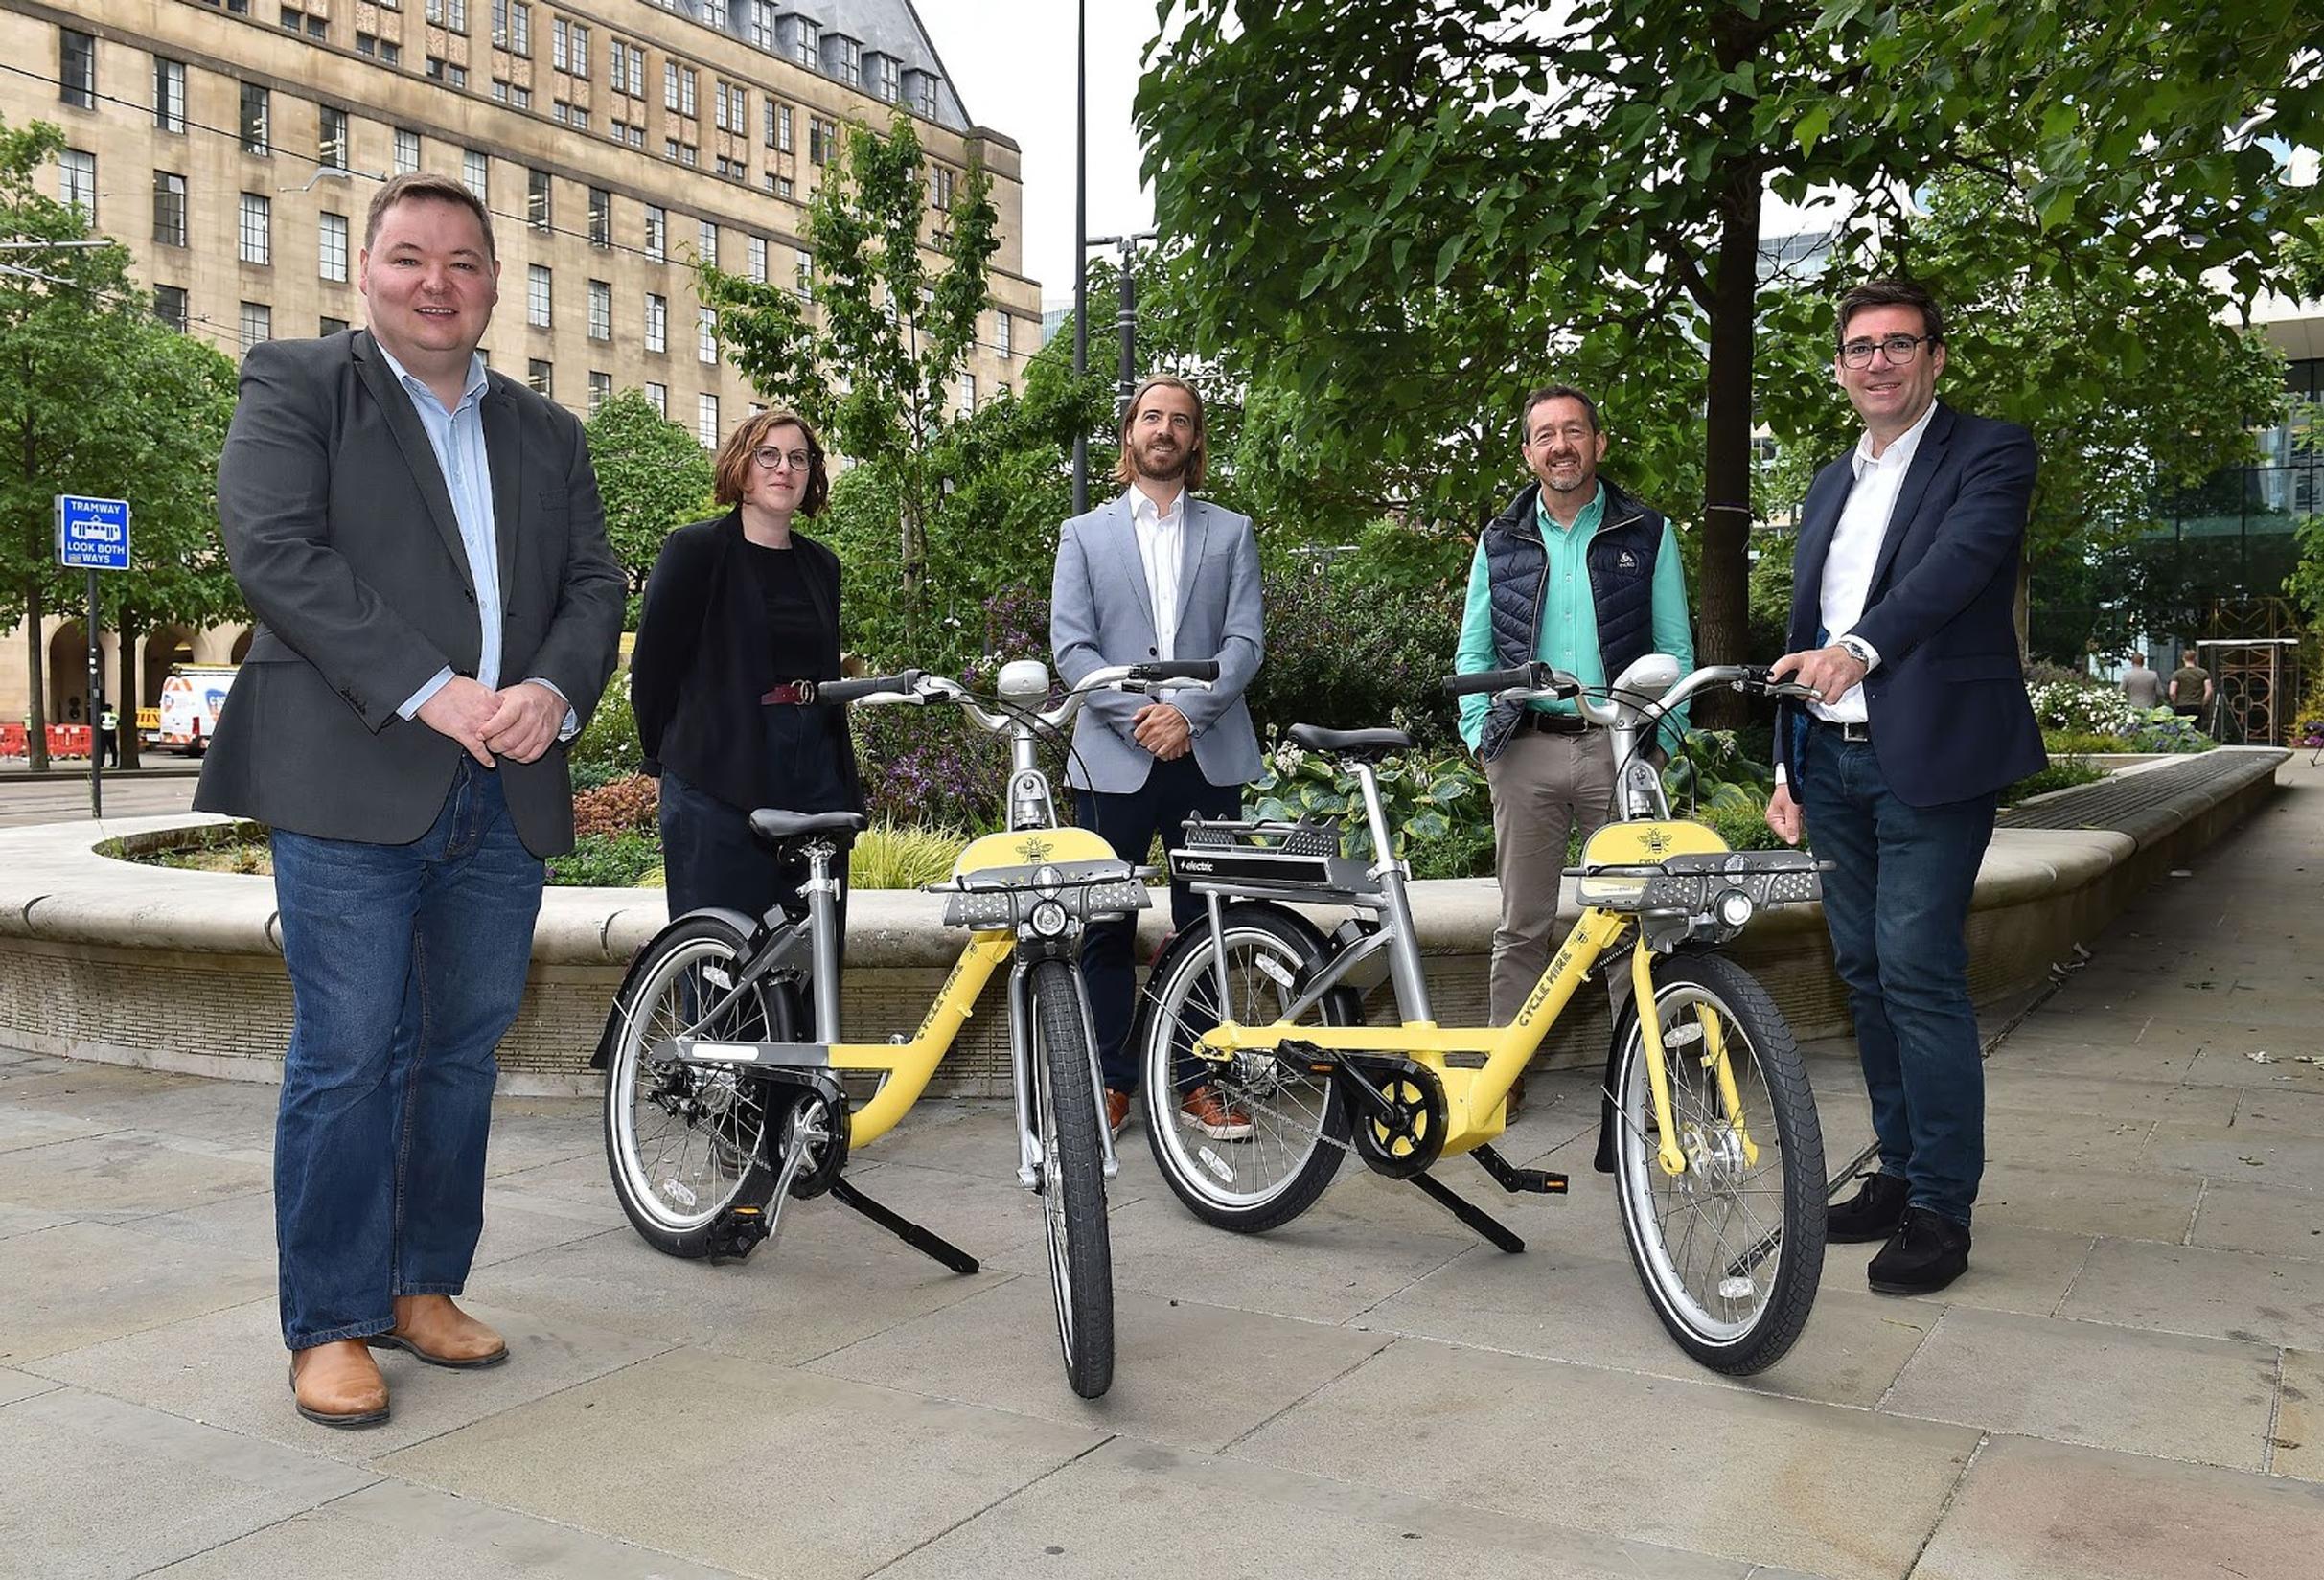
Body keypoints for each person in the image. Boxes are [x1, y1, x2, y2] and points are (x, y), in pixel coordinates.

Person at [196, 172, 624, 1428]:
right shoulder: (297, 382)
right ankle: (329, 1320)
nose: (436, 281)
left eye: (463, 261)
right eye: (407, 258)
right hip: (349, 778)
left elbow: (594, 585)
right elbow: (273, 550)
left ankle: (422, 1283)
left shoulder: (550, 433)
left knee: (458, 1052)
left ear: (498, 283)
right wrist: (433, 687)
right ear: (363, 270)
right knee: (348, 1051)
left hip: (510, 785)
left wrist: (552, 688)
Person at [1766, 279, 2043, 1297]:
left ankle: (1940, 1206)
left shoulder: (1990, 449)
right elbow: (1801, 624)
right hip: (1830, 760)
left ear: (1933, 357)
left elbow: (1959, 565)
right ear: (1839, 368)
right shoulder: (1829, 480)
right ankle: (1897, 1170)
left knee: (1917, 967)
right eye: (1858, 347)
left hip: (1930, 755)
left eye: (1897, 343)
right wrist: (1786, 762)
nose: (1877, 361)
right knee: (1863, 969)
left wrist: (1863, 646)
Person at [1452, 384, 1695, 1115]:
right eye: (1544, 435)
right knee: (1521, 922)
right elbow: (1472, 650)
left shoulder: (1647, 531)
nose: (1559, 445)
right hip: (1524, 749)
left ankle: (1649, 1080)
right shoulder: (1499, 539)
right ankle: (1503, 1072)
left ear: (1598, 442)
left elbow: (1674, 649)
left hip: (1619, 749)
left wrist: (1653, 745)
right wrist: (1479, 738)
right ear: (1528, 452)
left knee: (1636, 918)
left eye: (1573, 431)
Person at [1051, 374, 1264, 1142]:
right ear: (1129, 436)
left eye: (1180, 420)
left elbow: (1244, 643)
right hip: (1113, 754)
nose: (1164, 430)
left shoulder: (1232, 531)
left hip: (1207, 755)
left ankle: (1194, 1081)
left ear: (1195, 439)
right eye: (1151, 417)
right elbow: (1071, 646)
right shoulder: (1084, 534)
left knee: (1207, 923)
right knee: (1103, 925)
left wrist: (1188, 714)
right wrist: (1140, 717)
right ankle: (1111, 1082)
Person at [631, 408, 863, 920]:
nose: (784, 469)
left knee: (810, 957)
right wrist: (657, 762)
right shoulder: (695, 551)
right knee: (720, 965)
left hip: (813, 781)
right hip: (717, 777)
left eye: (798, 458)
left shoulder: (822, 566)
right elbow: (654, 668)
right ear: (742, 466)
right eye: (769, 455)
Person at [2170, 650, 2213, 728]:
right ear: (2195, 658)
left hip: (2181, 705)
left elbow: (2172, 692)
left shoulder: (2177, 674)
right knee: (2196, 730)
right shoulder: (2204, 673)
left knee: (2181, 730)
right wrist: (2203, 703)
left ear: (2183, 658)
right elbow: (2209, 691)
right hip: (2197, 705)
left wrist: (2175, 702)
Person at [98, 700, 119, 767]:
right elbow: (118, 723)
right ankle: (114, 762)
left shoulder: (103, 715)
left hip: (104, 732)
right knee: (113, 749)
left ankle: (101, 763)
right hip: (112, 732)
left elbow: (99, 722)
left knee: (102, 749)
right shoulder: (115, 715)